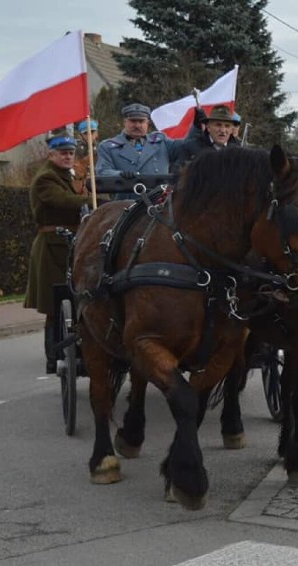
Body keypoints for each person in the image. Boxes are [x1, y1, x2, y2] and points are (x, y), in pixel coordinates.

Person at [24, 132, 91, 373]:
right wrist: (94, 200)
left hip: (68, 244)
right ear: (51, 154)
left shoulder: (66, 175)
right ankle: (53, 359)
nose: (68, 157)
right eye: (62, 153)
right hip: (52, 247)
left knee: (72, 301)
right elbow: (62, 201)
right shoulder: (46, 178)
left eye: (71, 153)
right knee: (55, 305)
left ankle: (75, 350)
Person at [96, 103, 200, 199]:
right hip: (127, 205)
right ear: (125, 122)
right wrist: (121, 175)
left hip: (160, 203)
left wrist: (196, 126)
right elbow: (103, 172)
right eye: (133, 121)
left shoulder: (161, 142)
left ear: (147, 123)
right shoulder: (108, 147)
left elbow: (186, 146)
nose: (137, 125)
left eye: (141, 121)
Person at [72, 119, 99, 195]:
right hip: (81, 182)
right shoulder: (76, 148)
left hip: (98, 181)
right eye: (86, 133)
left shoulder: (101, 147)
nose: (89, 135)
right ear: (81, 135)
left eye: (92, 132)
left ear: (96, 133)